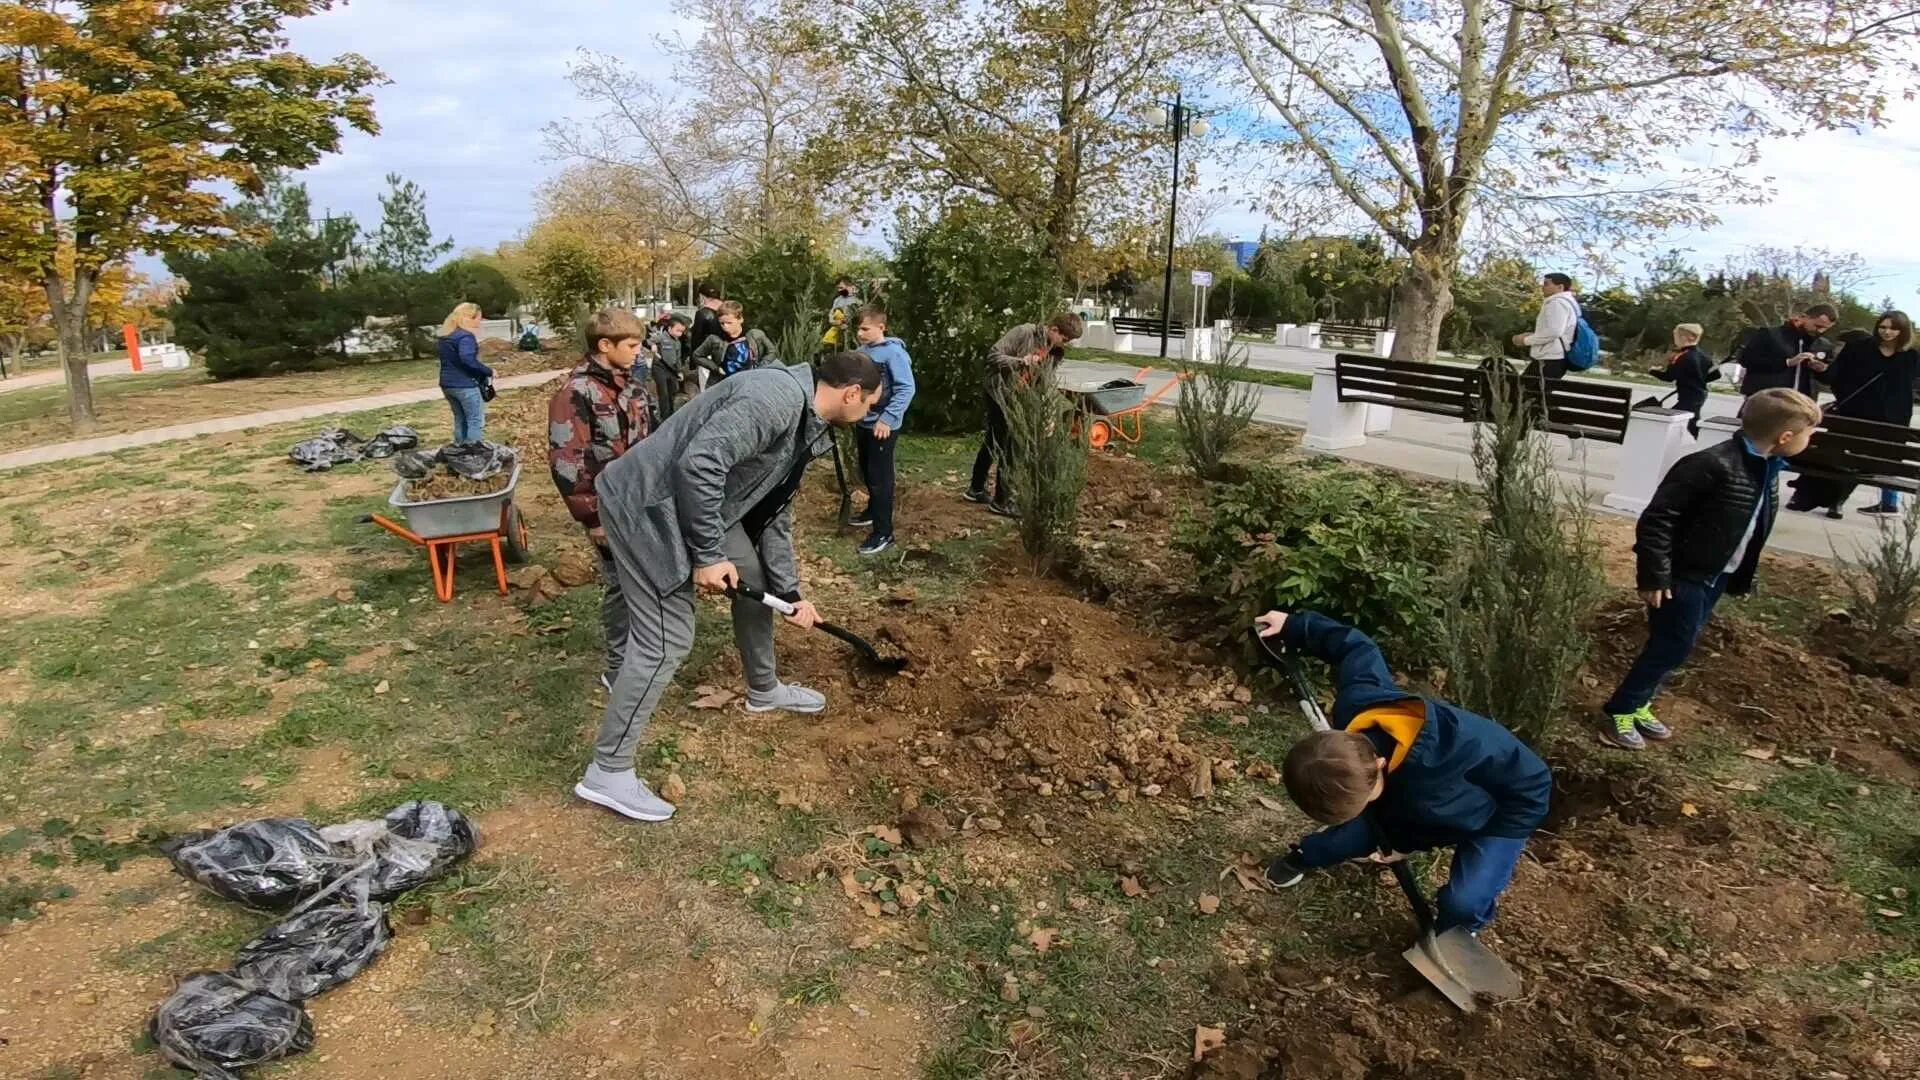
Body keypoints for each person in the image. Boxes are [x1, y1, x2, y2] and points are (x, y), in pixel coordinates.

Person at [575, 352, 886, 822]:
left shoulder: (807, 420)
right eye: (869, 407)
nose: (868, 416)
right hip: (647, 506)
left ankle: (764, 689)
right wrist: (708, 556)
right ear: (851, 394)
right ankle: (608, 770)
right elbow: (699, 465)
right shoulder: (775, 399)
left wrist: (792, 594)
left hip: (701, 507)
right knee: (665, 640)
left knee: (756, 578)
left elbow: (774, 513)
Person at [1256, 609, 1551, 936]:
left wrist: (1404, 843)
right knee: (1347, 838)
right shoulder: (1359, 706)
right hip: (1421, 803)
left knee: (1463, 901)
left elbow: (1444, 822)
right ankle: (1306, 856)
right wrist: (1296, 626)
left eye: (1362, 802)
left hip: (1505, 809)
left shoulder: (1446, 762)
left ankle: (1459, 932)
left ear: (1380, 764)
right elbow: (1357, 648)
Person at [1600, 388, 1822, 749]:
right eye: (1808, 434)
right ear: (1784, 437)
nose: (1809, 442)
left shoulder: (1765, 468)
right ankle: (1620, 709)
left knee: (1678, 644)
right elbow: (1658, 520)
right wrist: (1655, 574)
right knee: (1671, 646)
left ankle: (1640, 702)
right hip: (1682, 576)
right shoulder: (1711, 465)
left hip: (1714, 576)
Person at [548, 309, 654, 694]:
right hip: (607, 511)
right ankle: (618, 668)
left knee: (641, 583)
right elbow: (567, 461)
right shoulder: (575, 394)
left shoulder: (633, 388)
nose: (639, 351)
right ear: (604, 346)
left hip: (641, 505)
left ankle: (640, 656)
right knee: (620, 586)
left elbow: (650, 445)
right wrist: (593, 519)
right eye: (632, 344)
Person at [967, 313, 1085, 516]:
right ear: (1054, 329)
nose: (1064, 344)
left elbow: (1046, 381)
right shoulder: (1024, 332)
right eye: (1064, 339)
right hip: (999, 392)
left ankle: (975, 489)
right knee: (1009, 444)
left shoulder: (1054, 351)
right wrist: (1021, 361)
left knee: (994, 439)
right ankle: (1002, 502)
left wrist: (1047, 413)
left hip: (1019, 398)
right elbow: (993, 356)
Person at [1818, 311, 1918, 515]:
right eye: (1883, 327)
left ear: (1903, 330)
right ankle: (1834, 500)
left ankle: (1839, 501)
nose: (1887, 332)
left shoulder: (1911, 357)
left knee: (1874, 462)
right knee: (1847, 458)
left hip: (1892, 420)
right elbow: (1838, 377)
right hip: (1857, 415)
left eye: (1893, 328)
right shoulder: (1859, 349)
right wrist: (1820, 371)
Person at [850, 305, 917, 556]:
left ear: (881, 327)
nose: (860, 333)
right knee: (866, 470)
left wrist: (887, 419)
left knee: (880, 479)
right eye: (857, 328)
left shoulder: (893, 354)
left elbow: (906, 388)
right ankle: (871, 511)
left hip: (883, 426)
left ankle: (883, 532)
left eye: (865, 328)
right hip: (864, 423)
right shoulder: (860, 352)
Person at [1732, 303, 1837, 397]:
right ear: (1804, 317)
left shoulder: (1823, 345)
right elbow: (1746, 359)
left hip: (1801, 403)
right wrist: (1787, 362)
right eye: (1817, 326)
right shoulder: (1770, 334)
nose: (1820, 331)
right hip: (1765, 399)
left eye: (1825, 328)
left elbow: (1829, 379)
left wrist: (1823, 370)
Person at [437, 302, 495, 444]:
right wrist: (488, 371)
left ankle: (459, 451)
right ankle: (473, 455)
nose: (480, 322)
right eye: (478, 318)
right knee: (475, 421)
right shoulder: (465, 337)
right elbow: (467, 359)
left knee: (460, 419)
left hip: (447, 385)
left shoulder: (445, 336)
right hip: (465, 385)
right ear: (469, 317)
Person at [1648, 323, 1715, 437]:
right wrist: (1699, 379)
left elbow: (1669, 377)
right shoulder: (1704, 356)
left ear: (1685, 337)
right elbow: (1715, 374)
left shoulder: (1682, 356)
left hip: (1687, 396)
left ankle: (1695, 442)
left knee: (1676, 420)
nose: (1675, 340)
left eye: (1676, 336)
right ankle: (1694, 440)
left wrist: (1652, 370)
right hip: (1700, 394)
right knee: (1690, 419)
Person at [1512, 273, 1580, 381]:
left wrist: (1525, 340)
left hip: (1550, 358)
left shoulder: (1557, 303)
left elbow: (1554, 332)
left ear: (1560, 287)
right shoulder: (1569, 302)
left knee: (1522, 392)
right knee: (1531, 393)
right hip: (1555, 358)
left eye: (1546, 284)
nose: (1542, 287)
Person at [690, 300, 776, 382]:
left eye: (729, 323)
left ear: (740, 319)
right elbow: (697, 355)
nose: (725, 326)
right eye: (722, 323)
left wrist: (761, 366)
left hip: (750, 381)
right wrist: (715, 368)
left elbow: (772, 351)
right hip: (722, 383)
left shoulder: (755, 335)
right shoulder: (714, 339)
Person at [649, 312, 693, 422]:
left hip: (672, 371)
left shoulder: (678, 343)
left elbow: (677, 359)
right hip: (660, 369)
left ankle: (671, 413)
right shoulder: (661, 337)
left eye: (682, 332)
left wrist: (680, 371)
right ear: (669, 328)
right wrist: (653, 345)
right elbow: (649, 340)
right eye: (678, 331)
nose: (680, 334)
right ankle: (665, 417)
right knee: (663, 393)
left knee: (672, 392)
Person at [822, 276, 862, 348]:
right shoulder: (837, 300)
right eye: (838, 288)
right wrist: (833, 321)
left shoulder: (858, 300)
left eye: (841, 288)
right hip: (839, 333)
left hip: (854, 335)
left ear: (850, 287)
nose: (839, 290)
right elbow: (831, 313)